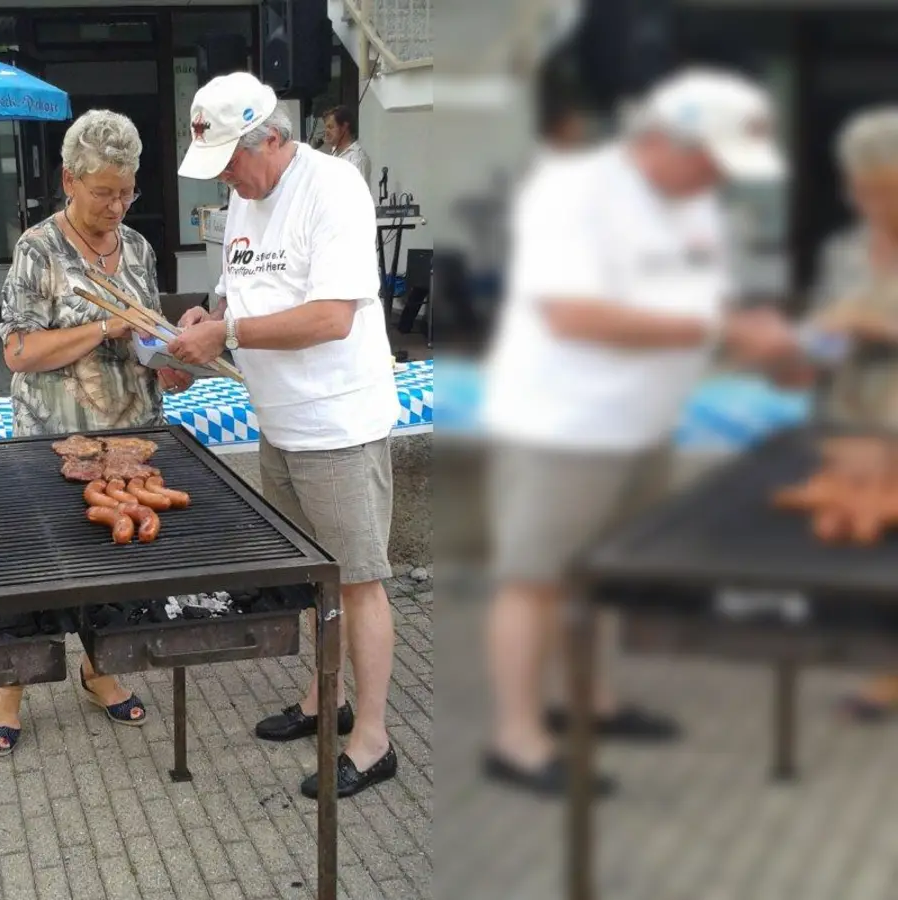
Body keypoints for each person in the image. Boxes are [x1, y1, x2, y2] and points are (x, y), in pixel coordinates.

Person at [478, 68, 803, 795]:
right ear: (664, 139)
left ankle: (589, 700)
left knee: (598, 576)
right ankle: (517, 736)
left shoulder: (700, 207)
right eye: (711, 159)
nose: (718, 176)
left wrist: (763, 345)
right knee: (532, 580)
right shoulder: (577, 192)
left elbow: (701, 308)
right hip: (562, 428)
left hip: (642, 426)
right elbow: (574, 315)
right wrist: (721, 328)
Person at [170, 73, 402, 800]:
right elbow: (235, 290)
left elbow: (332, 316)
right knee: (313, 575)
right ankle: (322, 695)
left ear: (271, 136)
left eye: (234, 161)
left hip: (337, 422)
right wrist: (195, 324)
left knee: (360, 581)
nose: (228, 178)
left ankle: (372, 736)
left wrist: (228, 334)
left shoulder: (333, 188)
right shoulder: (246, 191)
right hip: (280, 420)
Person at [0, 108, 193, 756]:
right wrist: (104, 327)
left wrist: (170, 364)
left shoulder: (137, 248)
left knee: (115, 563)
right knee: (44, 565)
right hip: (54, 435)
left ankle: (98, 669)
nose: (118, 205)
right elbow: (18, 351)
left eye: (127, 190)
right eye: (104, 191)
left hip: (130, 435)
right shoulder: (38, 250)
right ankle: (10, 684)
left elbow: (146, 338)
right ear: (69, 181)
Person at [805, 107, 898, 721]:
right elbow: (818, 344)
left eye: (881, 188)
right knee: (869, 550)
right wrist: (823, 336)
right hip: (850, 423)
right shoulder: (842, 250)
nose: (866, 201)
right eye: (857, 188)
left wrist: (880, 324)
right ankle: (885, 669)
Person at [322, 105, 371, 186]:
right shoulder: (333, 154)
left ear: (344, 127)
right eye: (326, 127)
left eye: (331, 127)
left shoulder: (357, 158)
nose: (326, 132)